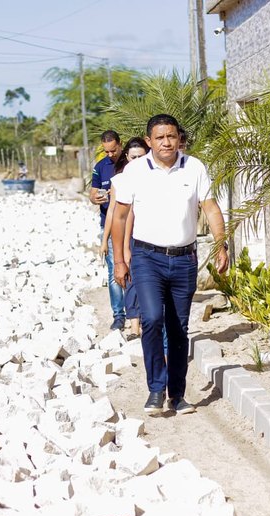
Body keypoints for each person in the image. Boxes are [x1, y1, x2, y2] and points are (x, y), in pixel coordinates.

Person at [111, 114, 229, 416]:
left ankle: (176, 395)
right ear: (149, 141)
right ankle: (155, 389)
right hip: (146, 258)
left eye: (172, 136)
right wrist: (120, 261)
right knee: (151, 319)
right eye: (160, 137)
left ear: (179, 138)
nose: (167, 142)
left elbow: (211, 207)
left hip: (183, 260)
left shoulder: (195, 167)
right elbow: (120, 217)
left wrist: (221, 244)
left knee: (178, 328)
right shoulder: (135, 171)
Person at [100, 137, 149, 337]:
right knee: (128, 279)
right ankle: (133, 324)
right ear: (127, 157)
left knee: (147, 280)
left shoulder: (157, 179)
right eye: (133, 157)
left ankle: (147, 321)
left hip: (150, 235)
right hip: (127, 236)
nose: (137, 161)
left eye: (141, 157)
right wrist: (106, 241)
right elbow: (113, 212)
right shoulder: (120, 181)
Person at [90, 130, 125, 330]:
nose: (110, 155)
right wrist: (96, 198)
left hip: (132, 224)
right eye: (106, 152)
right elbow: (92, 193)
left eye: (113, 151)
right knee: (113, 270)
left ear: (120, 145)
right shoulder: (100, 167)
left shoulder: (130, 164)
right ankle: (118, 315)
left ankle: (136, 312)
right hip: (108, 226)